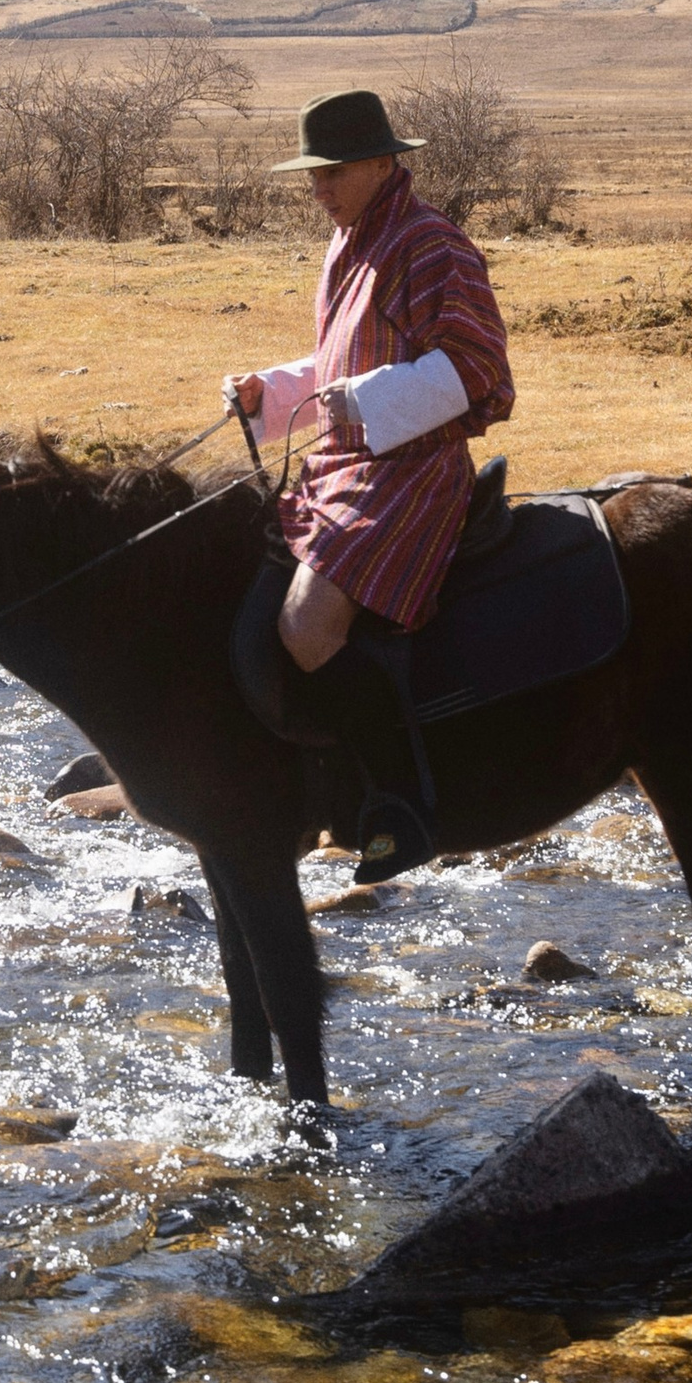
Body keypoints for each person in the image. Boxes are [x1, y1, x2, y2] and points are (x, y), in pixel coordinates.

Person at [223, 86, 515, 873]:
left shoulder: (432, 245)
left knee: (308, 628)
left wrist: (363, 400)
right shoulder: (350, 242)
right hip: (349, 460)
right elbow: (339, 367)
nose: (317, 188)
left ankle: (401, 802)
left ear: (385, 162)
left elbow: (481, 367)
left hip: (412, 471)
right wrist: (273, 393)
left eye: (332, 171)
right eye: (312, 174)